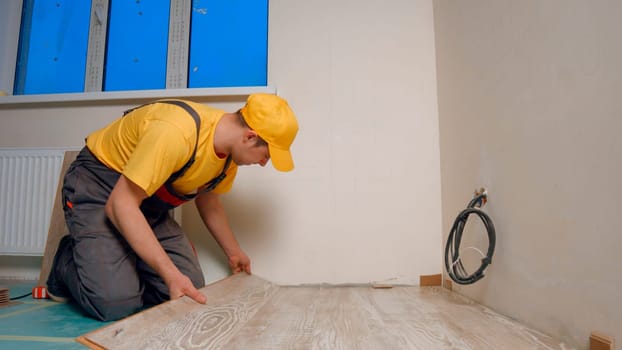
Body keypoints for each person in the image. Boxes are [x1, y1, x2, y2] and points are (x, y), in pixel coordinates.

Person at [46, 93, 299, 321]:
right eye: (266, 155)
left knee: (190, 290)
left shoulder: (229, 156)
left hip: (143, 200)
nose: (265, 163)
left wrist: (233, 252)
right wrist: (168, 273)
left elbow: (208, 200)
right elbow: (120, 204)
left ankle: (119, 263)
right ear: (250, 137)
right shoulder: (176, 131)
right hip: (101, 186)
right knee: (116, 303)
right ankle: (66, 260)